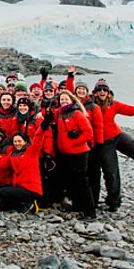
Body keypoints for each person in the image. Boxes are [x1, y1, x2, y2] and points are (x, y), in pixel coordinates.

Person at [0, 111, 53, 213]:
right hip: (20, 188)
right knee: (1, 201)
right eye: (15, 141)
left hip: (31, 189)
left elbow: (38, 137)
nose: (17, 144)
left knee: (1, 192)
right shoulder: (13, 154)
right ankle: (28, 205)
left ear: (25, 142)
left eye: (19, 141)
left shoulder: (31, 151)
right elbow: (0, 164)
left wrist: (44, 124)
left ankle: (27, 203)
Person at [92, 79, 134, 211]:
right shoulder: (90, 105)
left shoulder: (113, 104)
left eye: (105, 90)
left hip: (118, 136)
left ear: (109, 93)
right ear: (95, 93)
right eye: (99, 90)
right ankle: (113, 201)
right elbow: (74, 95)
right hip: (105, 142)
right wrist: (70, 77)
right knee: (111, 172)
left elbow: (129, 110)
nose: (102, 92)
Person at [53, 90, 96, 219]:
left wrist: (75, 141)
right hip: (66, 153)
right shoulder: (60, 113)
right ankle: (78, 205)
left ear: (71, 100)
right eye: (61, 99)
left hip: (79, 152)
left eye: (66, 99)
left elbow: (88, 132)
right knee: (72, 180)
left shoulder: (77, 114)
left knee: (82, 181)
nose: (63, 101)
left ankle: (90, 211)